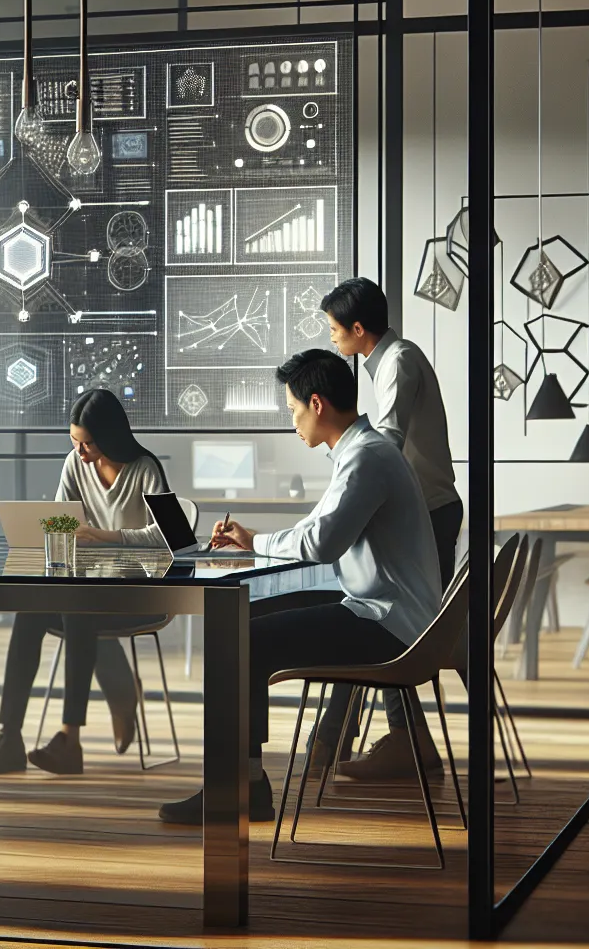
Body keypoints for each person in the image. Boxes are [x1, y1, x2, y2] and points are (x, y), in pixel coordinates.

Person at [158, 349, 442, 825]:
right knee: (242, 618)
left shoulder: (366, 458)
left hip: (388, 622)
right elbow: (318, 526)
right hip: (382, 608)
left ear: (316, 404)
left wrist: (256, 542)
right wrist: (253, 541)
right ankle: (244, 781)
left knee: (243, 636)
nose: (293, 422)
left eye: (291, 410)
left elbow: (323, 541)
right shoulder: (361, 451)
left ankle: (238, 788)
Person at [0, 389, 163, 777]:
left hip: (137, 590)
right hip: (86, 585)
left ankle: (69, 740)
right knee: (31, 610)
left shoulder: (145, 469)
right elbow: (60, 520)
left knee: (77, 609)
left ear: (110, 437)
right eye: (74, 441)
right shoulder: (75, 465)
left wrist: (107, 535)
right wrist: (54, 532)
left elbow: (172, 537)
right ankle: (9, 737)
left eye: (87, 443)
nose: (80, 452)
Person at [322, 277, 459, 780]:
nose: (333, 340)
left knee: (386, 621)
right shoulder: (392, 359)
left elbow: (389, 442)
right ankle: (391, 739)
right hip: (427, 510)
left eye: (336, 331)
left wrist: (354, 487)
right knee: (375, 614)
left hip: (429, 512)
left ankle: (380, 739)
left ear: (359, 330)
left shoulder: (397, 360)